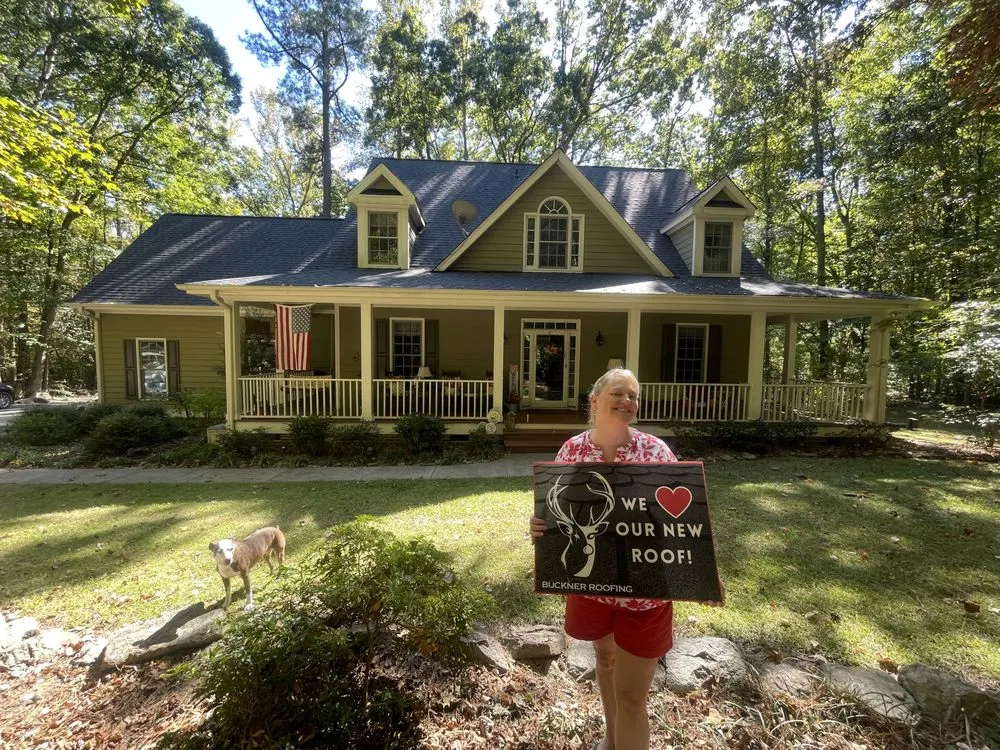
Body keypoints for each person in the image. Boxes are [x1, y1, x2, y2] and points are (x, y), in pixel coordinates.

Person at [530, 368, 677, 750]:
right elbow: (555, 510)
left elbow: (682, 522)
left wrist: (700, 569)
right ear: (595, 401)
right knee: (606, 663)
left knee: (632, 699)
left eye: (634, 395)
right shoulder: (572, 451)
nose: (627, 401)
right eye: (619, 393)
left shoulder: (656, 453)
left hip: (643, 595)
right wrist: (539, 528)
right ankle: (611, 742)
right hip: (591, 585)